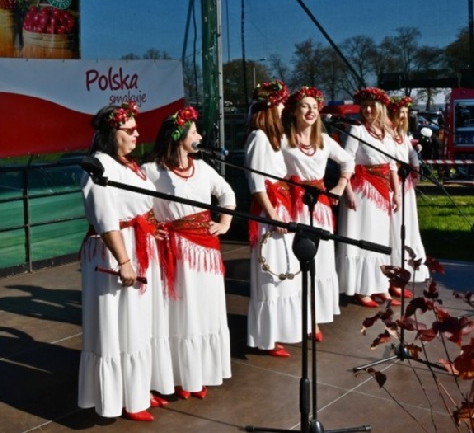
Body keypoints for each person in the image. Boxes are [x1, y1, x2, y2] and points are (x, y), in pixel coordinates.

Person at [78, 101, 170, 422]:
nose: (136, 133)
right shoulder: (98, 166)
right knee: (118, 325)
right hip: (114, 251)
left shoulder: (130, 164)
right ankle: (119, 399)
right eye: (128, 129)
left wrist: (153, 231)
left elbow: (142, 206)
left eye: (136, 128)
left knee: (138, 324)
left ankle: (138, 390)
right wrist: (124, 260)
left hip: (140, 245)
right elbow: (106, 220)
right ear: (110, 132)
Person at [143, 105, 235, 400]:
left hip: (205, 251)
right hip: (174, 251)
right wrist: (148, 226)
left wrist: (224, 222)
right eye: (195, 131)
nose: (200, 135)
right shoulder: (153, 171)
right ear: (178, 135)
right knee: (181, 314)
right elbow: (132, 202)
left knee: (205, 311)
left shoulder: (203, 168)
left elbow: (227, 194)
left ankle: (201, 374)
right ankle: (181, 377)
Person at [282, 86, 354, 340]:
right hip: (294, 206)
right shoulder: (282, 142)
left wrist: (341, 186)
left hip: (320, 206)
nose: (311, 110)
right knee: (297, 262)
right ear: (294, 111)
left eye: (314, 106)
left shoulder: (324, 141)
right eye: (305, 106)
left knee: (320, 262)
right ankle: (296, 319)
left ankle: (313, 319)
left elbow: (348, 161)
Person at [245, 79, 302, 357]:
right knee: (270, 274)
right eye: (279, 105)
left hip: (281, 208)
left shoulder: (274, 140)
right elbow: (256, 184)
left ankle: (279, 331)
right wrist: (273, 215)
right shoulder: (258, 138)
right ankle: (267, 337)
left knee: (283, 271)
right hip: (270, 215)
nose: (283, 110)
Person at [337, 87, 401, 308]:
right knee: (364, 237)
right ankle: (362, 289)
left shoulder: (388, 133)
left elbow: (392, 165)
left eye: (372, 105)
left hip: (383, 191)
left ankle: (381, 285)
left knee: (380, 239)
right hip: (363, 190)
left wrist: (397, 193)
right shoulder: (357, 131)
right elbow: (347, 162)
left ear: (381, 107)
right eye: (364, 106)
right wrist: (348, 192)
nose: (368, 109)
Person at [387, 96, 430, 293]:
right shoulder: (386, 135)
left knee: (408, 226)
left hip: (406, 185)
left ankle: (407, 269)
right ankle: (393, 274)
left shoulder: (403, 135)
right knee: (395, 229)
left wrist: (416, 168)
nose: (403, 116)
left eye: (405, 113)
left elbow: (411, 153)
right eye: (399, 113)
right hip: (391, 184)